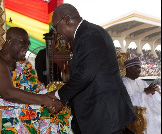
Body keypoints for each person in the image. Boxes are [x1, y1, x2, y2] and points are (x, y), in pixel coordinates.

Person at [47, 3, 137, 134]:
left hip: (104, 114)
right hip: (97, 114)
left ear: (66, 20)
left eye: (56, 27)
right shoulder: (84, 35)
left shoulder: (90, 35)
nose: (57, 33)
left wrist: (58, 95)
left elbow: (84, 75)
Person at [0, 27, 72, 134]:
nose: (27, 46)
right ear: (9, 40)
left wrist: (55, 99)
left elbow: (37, 88)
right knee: (32, 122)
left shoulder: (23, 64)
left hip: (26, 106)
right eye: (22, 42)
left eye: (28, 43)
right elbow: (8, 93)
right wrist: (45, 100)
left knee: (60, 116)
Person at [122, 57, 161, 134]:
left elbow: (151, 95)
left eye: (140, 67)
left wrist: (152, 92)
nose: (140, 69)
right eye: (137, 67)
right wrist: (145, 92)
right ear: (129, 69)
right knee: (150, 124)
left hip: (148, 110)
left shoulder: (141, 82)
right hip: (136, 114)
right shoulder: (124, 82)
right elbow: (129, 100)